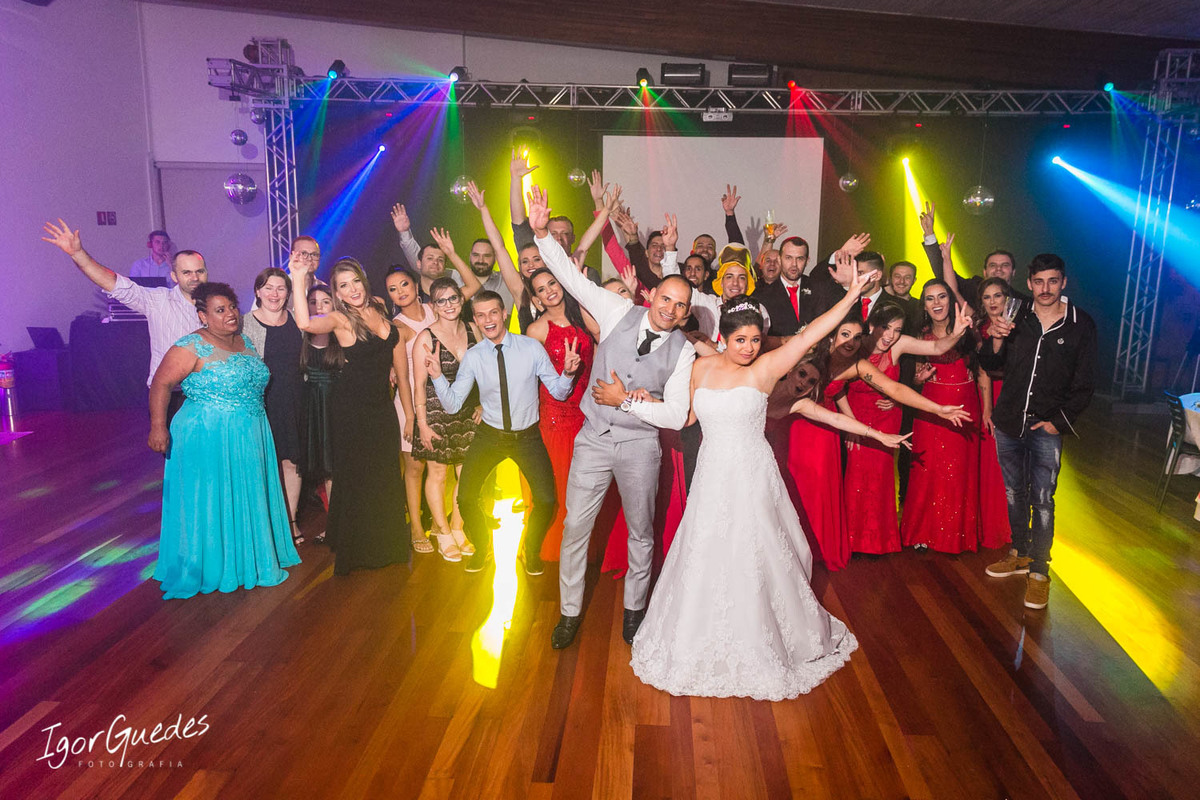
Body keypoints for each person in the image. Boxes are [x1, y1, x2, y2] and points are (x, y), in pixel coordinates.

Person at [629, 266, 878, 700]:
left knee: (755, 552)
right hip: (711, 473)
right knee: (705, 550)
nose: (748, 348)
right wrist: (644, 401)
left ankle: (766, 638)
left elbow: (810, 334)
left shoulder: (766, 368)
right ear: (724, 338)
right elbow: (685, 418)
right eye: (740, 339)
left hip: (751, 474)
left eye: (755, 340)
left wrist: (850, 295)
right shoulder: (700, 368)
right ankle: (697, 637)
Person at [527, 186, 697, 648]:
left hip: (640, 446)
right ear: (652, 294)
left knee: (641, 533)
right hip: (593, 439)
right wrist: (541, 235)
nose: (671, 310)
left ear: (686, 313)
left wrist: (626, 401)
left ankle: (634, 612)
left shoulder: (684, 352)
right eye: (666, 299)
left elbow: (675, 414)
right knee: (575, 528)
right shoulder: (618, 308)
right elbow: (571, 278)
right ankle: (568, 613)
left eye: (681, 306)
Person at [148, 282, 299, 599]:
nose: (230, 313)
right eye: (220, 310)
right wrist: (158, 426)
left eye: (232, 307)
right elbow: (160, 384)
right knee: (212, 498)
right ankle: (210, 566)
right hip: (207, 434)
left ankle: (245, 561)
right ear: (203, 316)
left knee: (244, 494)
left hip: (251, 431)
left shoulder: (245, 341)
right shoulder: (191, 346)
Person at [426, 290, 582, 574]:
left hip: (527, 437)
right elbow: (453, 404)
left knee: (547, 500)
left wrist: (568, 373)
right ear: (475, 320)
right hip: (490, 436)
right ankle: (482, 546)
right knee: (466, 499)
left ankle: (530, 551)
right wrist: (437, 376)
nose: (488, 320)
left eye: (493, 313)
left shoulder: (531, 348)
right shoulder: (474, 357)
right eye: (481, 315)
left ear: (504, 314)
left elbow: (559, 392)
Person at [981, 254, 1095, 610]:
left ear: (1064, 282)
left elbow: (1086, 382)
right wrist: (995, 338)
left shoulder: (1080, 324)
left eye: (1053, 281)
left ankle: (1040, 571)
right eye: (1039, 282)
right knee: (1014, 492)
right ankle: (1019, 553)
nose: (1046, 288)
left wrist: (1058, 421)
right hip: (1009, 421)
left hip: (1047, 425)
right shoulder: (1016, 316)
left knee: (1043, 499)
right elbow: (991, 365)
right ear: (1029, 283)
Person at [290, 256, 414, 575]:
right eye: (344, 286)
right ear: (338, 293)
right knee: (357, 478)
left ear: (364, 280)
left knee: (385, 475)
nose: (352, 289)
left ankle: (388, 546)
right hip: (350, 411)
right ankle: (359, 550)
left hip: (381, 408)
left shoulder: (380, 309)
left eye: (355, 281)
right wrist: (298, 278)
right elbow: (305, 324)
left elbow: (402, 374)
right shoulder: (340, 319)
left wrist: (411, 416)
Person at [842, 303, 974, 555]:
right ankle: (851, 540)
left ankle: (876, 542)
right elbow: (837, 389)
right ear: (872, 325)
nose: (890, 336)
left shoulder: (898, 345)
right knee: (855, 476)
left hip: (887, 417)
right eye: (886, 328)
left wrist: (956, 333)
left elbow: (936, 348)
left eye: (897, 330)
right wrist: (850, 425)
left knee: (881, 476)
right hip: (855, 415)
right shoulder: (855, 344)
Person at [42, 220, 206, 417]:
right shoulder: (159, 300)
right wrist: (78, 254)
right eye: (187, 272)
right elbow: (113, 283)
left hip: (210, 393)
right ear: (174, 276)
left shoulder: (217, 305)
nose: (194, 277)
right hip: (172, 395)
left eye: (199, 271)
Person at [901, 279, 1005, 553]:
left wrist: (987, 410)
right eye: (930, 298)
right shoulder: (918, 335)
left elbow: (983, 371)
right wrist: (919, 378)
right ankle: (922, 533)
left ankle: (957, 535)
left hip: (965, 405)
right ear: (924, 305)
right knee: (927, 470)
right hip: (931, 406)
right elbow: (911, 378)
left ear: (950, 300)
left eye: (942, 297)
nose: (937, 303)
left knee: (959, 472)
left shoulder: (969, 332)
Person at [525, 268, 599, 563]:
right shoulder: (536, 330)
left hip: (589, 413)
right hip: (556, 417)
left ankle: (588, 548)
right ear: (536, 299)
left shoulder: (584, 317)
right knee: (561, 485)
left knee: (589, 487)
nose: (549, 291)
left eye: (552, 283)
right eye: (541, 289)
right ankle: (553, 549)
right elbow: (530, 379)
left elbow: (601, 342)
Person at [411, 277, 482, 562]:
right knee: (438, 474)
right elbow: (419, 386)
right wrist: (422, 425)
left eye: (453, 298)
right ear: (433, 306)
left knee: (468, 475)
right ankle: (442, 532)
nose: (449, 305)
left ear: (461, 300)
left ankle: (457, 527)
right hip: (435, 412)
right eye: (441, 300)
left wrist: (483, 404)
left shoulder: (474, 329)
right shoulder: (425, 338)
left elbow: (486, 372)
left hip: (468, 412)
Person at [242, 267, 306, 545]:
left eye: (280, 288)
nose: (274, 294)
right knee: (262, 464)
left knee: (292, 463)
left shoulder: (298, 320)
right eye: (268, 287)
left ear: (288, 293)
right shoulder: (243, 324)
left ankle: (290, 521)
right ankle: (263, 526)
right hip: (261, 403)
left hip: (295, 400)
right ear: (258, 291)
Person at [385, 264, 437, 552]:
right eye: (392, 289)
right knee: (415, 467)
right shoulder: (397, 327)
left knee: (439, 466)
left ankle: (440, 522)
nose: (400, 292)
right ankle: (416, 528)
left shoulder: (435, 310)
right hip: (409, 403)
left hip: (440, 399)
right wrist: (410, 417)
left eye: (404, 284)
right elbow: (402, 377)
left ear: (416, 285)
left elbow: (471, 289)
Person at [299, 284, 343, 545]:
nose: (319, 307)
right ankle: (334, 524)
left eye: (325, 301)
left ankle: (341, 524)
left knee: (337, 468)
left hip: (336, 407)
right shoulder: (300, 341)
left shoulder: (342, 338)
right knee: (324, 471)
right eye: (313, 302)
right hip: (311, 409)